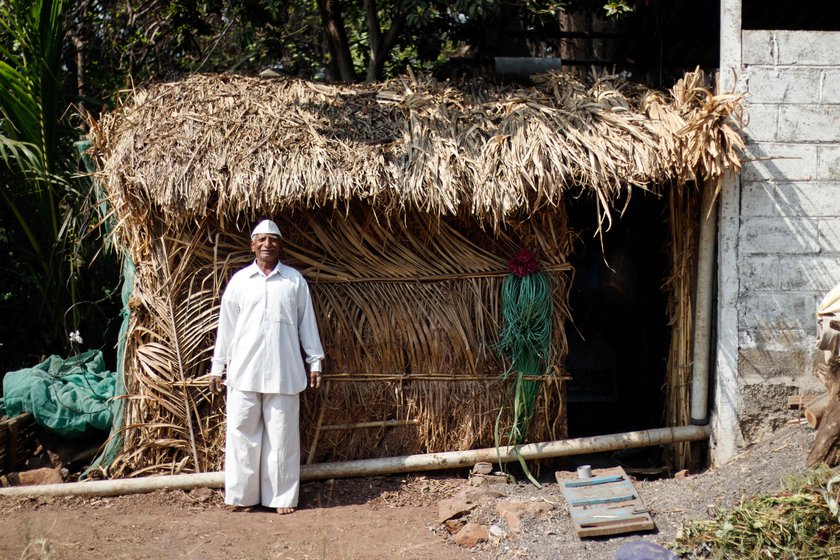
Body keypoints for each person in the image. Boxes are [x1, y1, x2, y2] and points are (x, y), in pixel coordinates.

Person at [209, 219, 324, 514]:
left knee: (282, 438)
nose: (267, 245)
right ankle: (241, 497)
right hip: (243, 373)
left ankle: (281, 499)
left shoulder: (294, 281)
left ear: (280, 246)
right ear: (252, 245)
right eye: (261, 239)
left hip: (285, 372)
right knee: (241, 436)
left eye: (273, 240)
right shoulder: (239, 282)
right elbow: (227, 328)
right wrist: (217, 367)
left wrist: (315, 360)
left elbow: (306, 323)